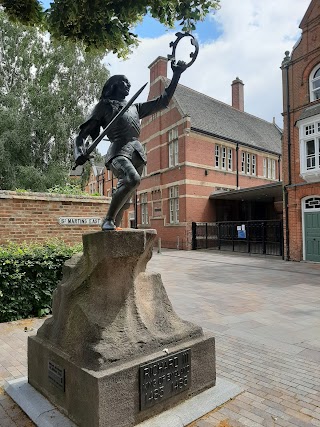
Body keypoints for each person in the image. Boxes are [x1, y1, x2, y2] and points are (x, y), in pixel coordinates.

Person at [74, 61, 187, 230]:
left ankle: (112, 230)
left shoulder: (135, 108)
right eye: (124, 82)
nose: (128, 85)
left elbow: (163, 101)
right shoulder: (104, 106)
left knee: (126, 199)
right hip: (118, 151)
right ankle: (108, 219)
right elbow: (80, 137)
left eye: (129, 83)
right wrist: (78, 153)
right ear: (113, 86)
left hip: (138, 153)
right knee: (132, 178)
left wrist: (177, 74)